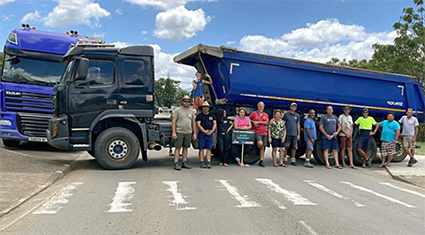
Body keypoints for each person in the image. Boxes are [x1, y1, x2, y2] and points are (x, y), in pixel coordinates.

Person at [171, 95, 196, 171]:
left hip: (188, 132)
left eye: (188, 101)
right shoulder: (177, 111)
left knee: (186, 148)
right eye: (185, 101)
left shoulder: (191, 111)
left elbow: (193, 123)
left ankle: (184, 162)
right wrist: (174, 132)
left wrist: (194, 133)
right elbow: (173, 122)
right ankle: (176, 163)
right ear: (182, 101)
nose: (186, 102)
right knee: (178, 148)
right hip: (179, 132)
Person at [195, 101, 216, 169]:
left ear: (209, 108)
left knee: (209, 148)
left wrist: (212, 131)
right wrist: (204, 131)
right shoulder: (199, 116)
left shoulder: (212, 115)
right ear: (202, 108)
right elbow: (198, 124)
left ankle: (208, 162)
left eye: (207, 107)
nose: (206, 108)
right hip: (202, 134)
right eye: (204, 107)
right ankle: (201, 162)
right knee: (201, 148)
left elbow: (214, 124)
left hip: (210, 134)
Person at [249, 101, 269, 167]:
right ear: (258, 107)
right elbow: (248, 119)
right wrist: (253, 122)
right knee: (260, 143)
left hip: (264, 133)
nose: (261, 107)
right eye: (260, 106)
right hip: (257, 132)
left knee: (263, 147)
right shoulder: (254, 113)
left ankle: (261, 160)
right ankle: (256, 150)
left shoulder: (265, 114)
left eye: (262, 106)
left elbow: (266, 123)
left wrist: (258, 122)